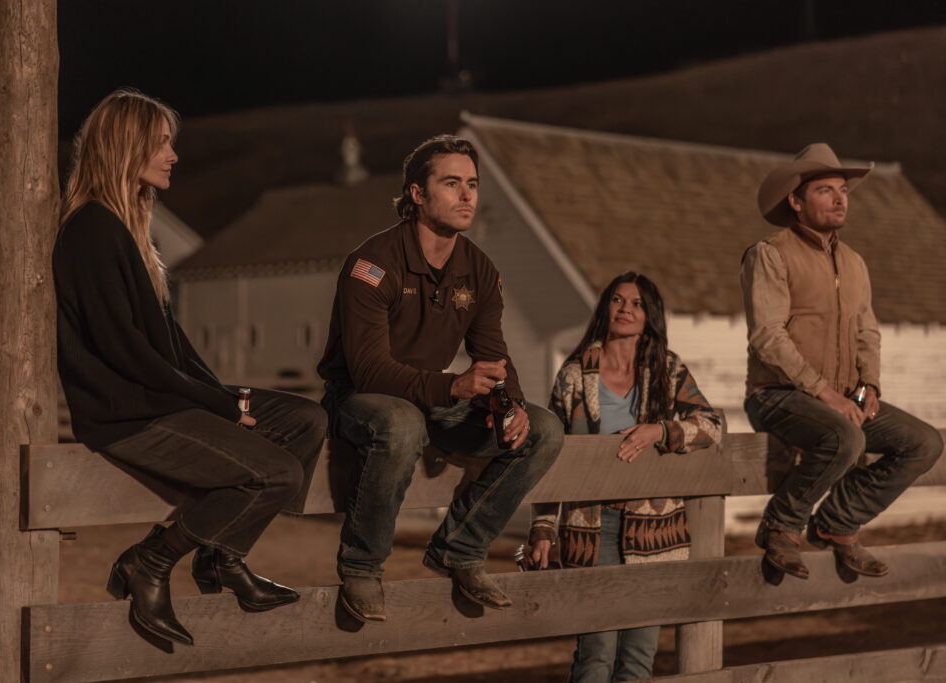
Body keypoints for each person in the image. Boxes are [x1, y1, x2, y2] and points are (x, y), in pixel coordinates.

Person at [53, 89, 326, 646]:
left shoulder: (128, 229)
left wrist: (225, 396)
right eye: (160, 143)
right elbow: (125, 353)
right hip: (127, 414)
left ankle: (223, 558)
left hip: (162, 398)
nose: (173, 155)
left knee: (307, 420)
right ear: (126, 146)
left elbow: (171, 341)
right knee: (277, 473)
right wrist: (221, 405)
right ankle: (149, 561)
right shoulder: (91, 230)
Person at [316, 134, 564, 622]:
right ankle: (362, 567)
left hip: (432, 397)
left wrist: (510, 403)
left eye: (472, 184)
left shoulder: (480, 269)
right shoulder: (372, 264)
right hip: (361, 399)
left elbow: (493, 356)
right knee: (400, 422)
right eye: (451, 183)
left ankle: (459, 549)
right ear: (417, 194)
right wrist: (452, 386)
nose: (467, 195)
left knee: (544, 430)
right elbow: (368, 371)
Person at [742, 143, 942, 580]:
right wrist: (824, 393)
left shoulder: (854, 263)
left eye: (843, 191)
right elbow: (767, 337)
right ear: (796, 201)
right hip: (777, 395)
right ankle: (780, 526)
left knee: (924, 442)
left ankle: (836, 522)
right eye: (825, 190)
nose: (839, 199)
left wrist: (869, 385)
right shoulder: (770, 253)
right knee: (846, 437)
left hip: (843, 400)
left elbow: (867, 331)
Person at [527, 272, 722, 682]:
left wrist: (661, 431)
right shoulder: (575, 374)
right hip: (589, 525)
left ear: (650, 315)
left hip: (656, 530)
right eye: (617, 300)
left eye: (636, 304)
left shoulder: (668, 368)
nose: (626, 310)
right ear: (605, 307)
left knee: (638, 658)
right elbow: (551, 456)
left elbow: (711, 424)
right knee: (595, 655)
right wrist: (543, 526)